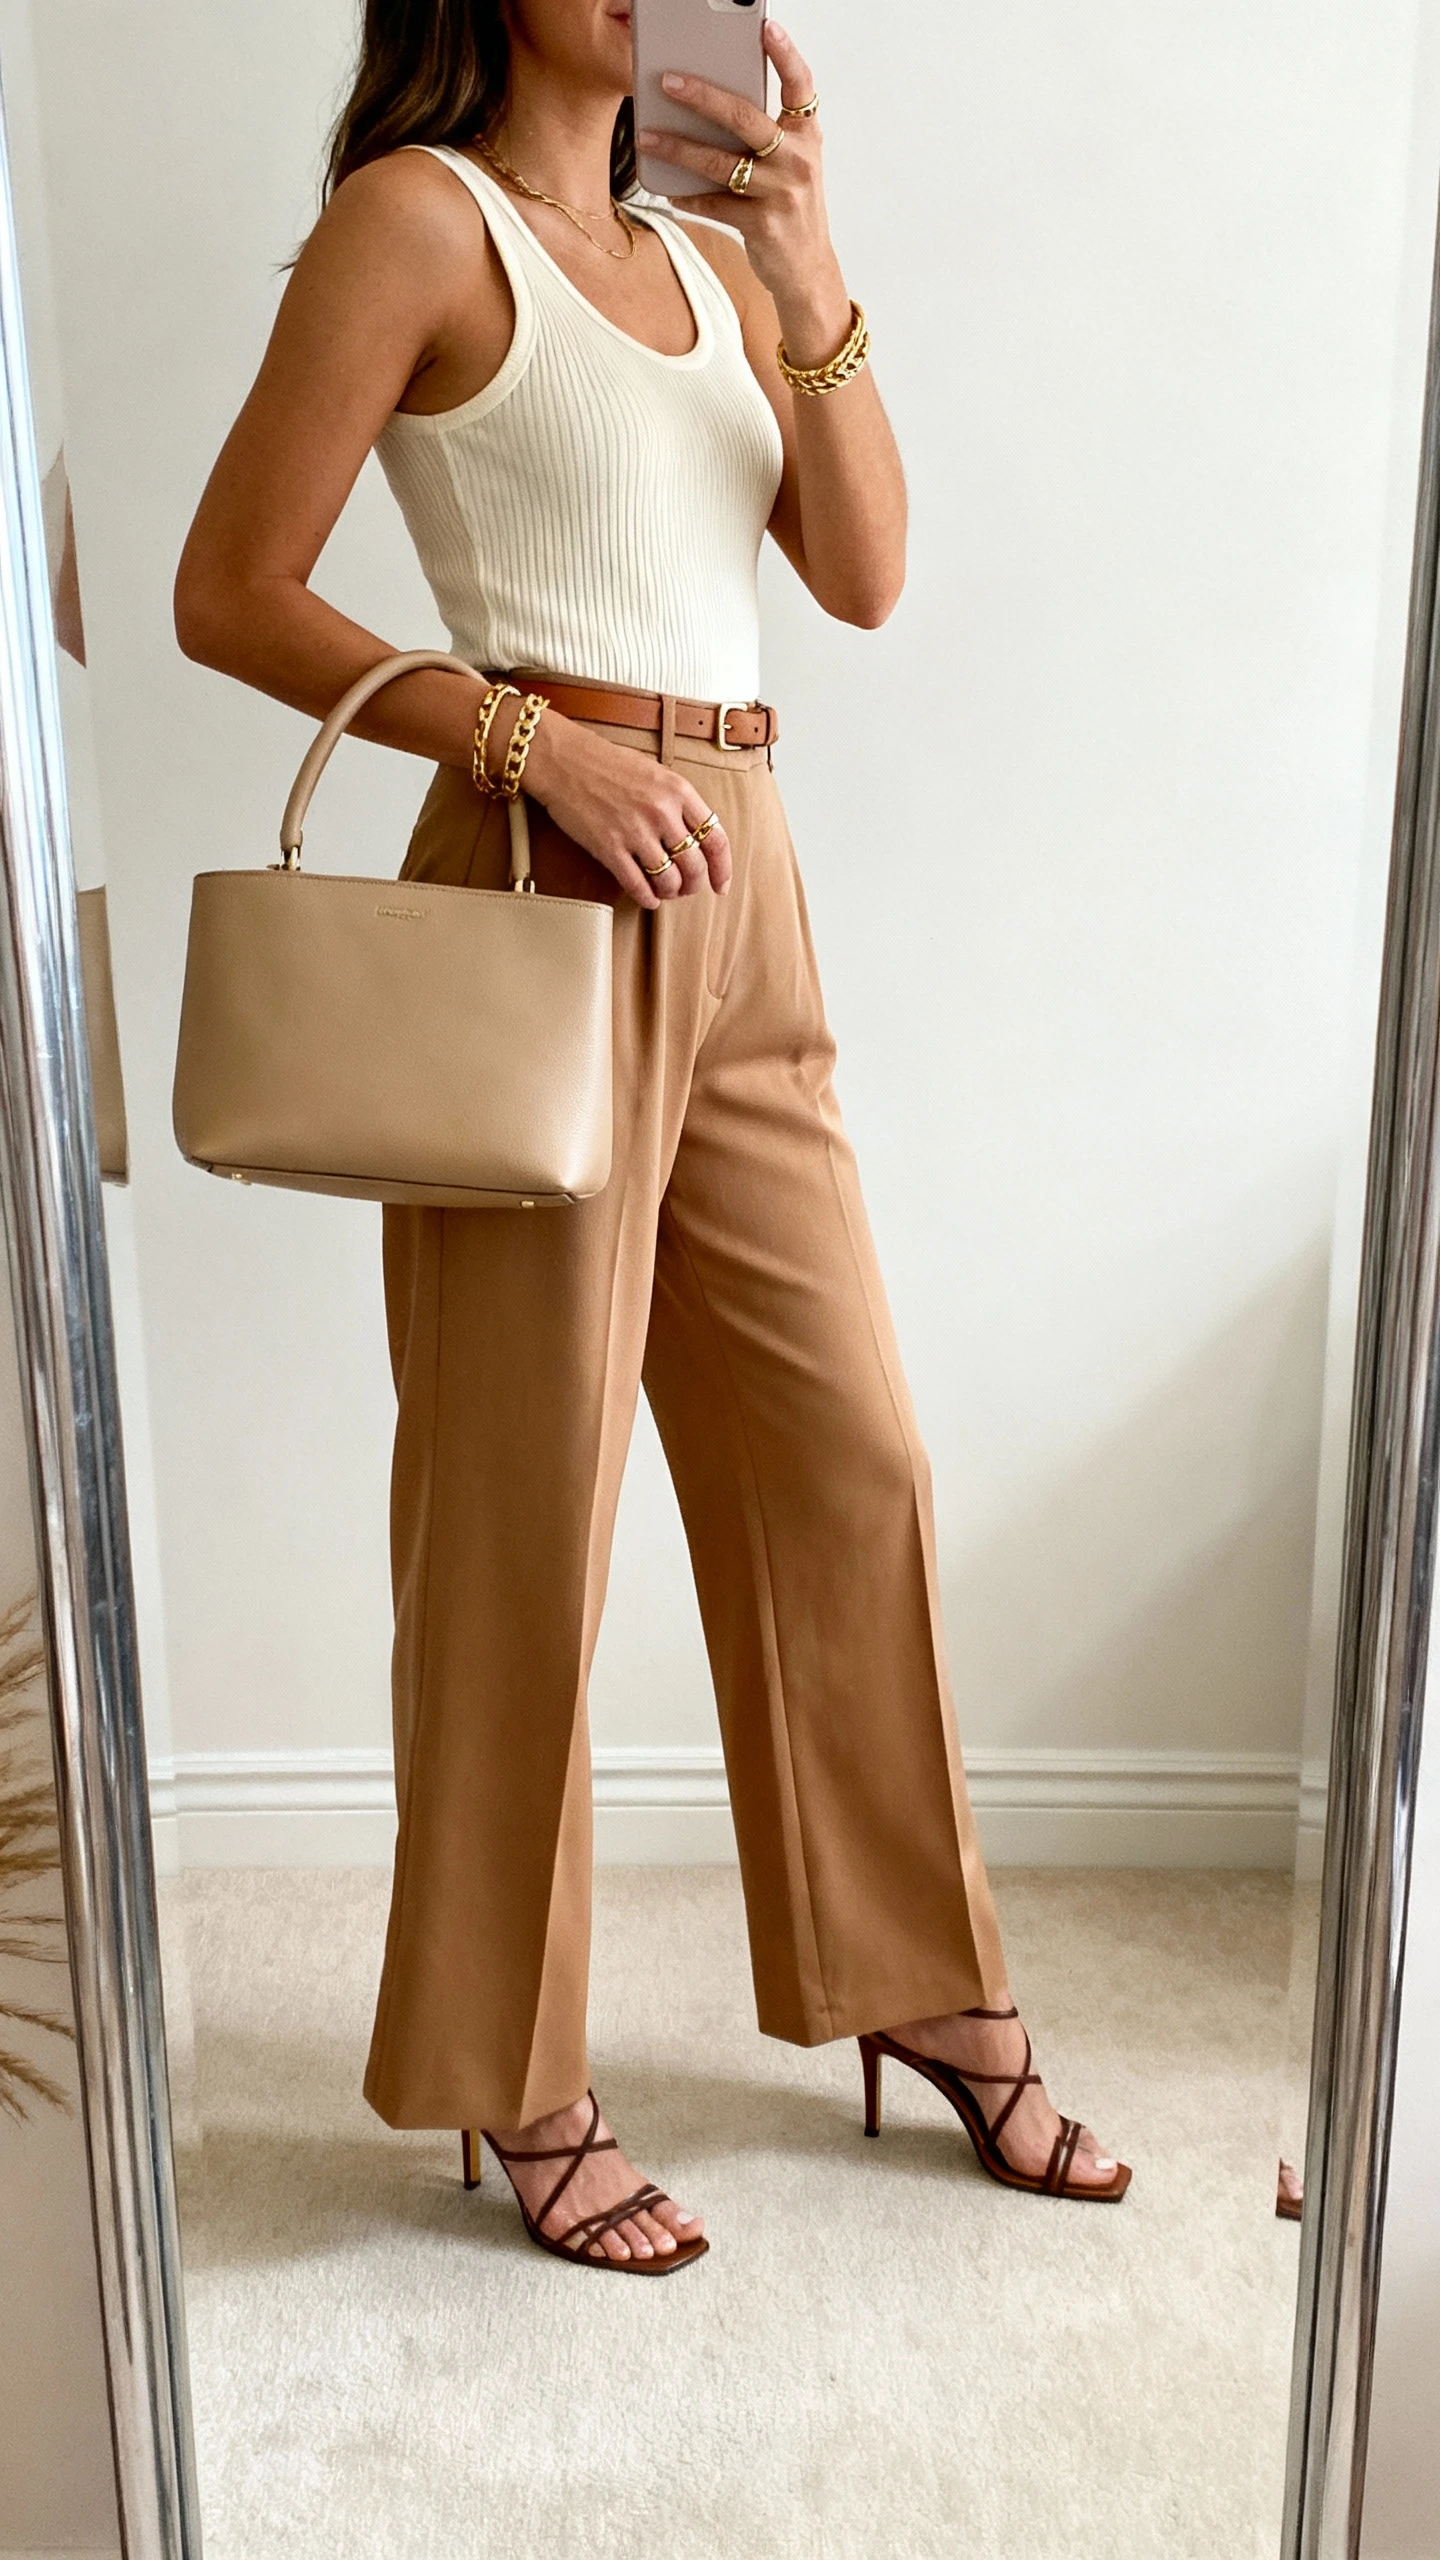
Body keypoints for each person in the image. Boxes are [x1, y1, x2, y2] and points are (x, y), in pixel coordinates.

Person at [174, 0, 1129, 2276]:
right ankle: (509, 2065)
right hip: (545, 870)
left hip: (748, 876)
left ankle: (916, 1972)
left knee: (849, 1453)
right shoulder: (422, 222)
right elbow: (233, 588)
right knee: (524, 1507)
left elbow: (865, 574)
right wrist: (528, 743)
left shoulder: (709, 255)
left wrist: (811, 272)